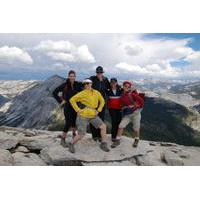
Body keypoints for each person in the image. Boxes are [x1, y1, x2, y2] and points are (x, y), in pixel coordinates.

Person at [69, 78, 110, 153]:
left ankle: (103, 143)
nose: (87, 85)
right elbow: (72, 100)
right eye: (85, 84)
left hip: (93, 114)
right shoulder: (82, 93)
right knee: (82, 134)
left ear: (91, 84)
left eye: (88, 83)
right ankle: (71, 143)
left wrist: (99, 110)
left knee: (103, 127)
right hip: (83, 115)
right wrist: (77, 110)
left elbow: (102, 101)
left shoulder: (96, 92)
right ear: (84, 85)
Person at [53, 70, 82, 147]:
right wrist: (61, 101)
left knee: (74, 121)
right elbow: (54, 92)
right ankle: (63, 138)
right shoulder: (65, 85)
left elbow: (83, 91)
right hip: (67, 107)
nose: (72, 77)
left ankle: (73, 134)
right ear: (68, 76)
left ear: (75, 77)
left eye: (73, 76)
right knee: (68, 123)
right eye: (70, 76)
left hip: (75, 107)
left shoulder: (78, 84)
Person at [111, 81, 144, 148]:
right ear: (123, 86)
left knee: (136, 128)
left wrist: (135, 106)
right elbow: (122, 104)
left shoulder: (132, 94)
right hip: (128, 115)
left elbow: (142, 101)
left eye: (128, 87)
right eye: (125, 86)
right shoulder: (122, 95)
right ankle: (117, 140)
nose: (127, 87)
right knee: (121, 126)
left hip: (136, 114)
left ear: (130, 88)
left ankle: (136, 139)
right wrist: (123, 107)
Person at [89, 66, 110, 141]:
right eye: (98, 72)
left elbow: (109, 87)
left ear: (102, 73)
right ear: (96, 73)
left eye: (100, 72)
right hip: (93, 102)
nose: (99, 74)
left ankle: (100, 135)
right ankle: (94, 136)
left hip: (102, 102)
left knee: (101, 118)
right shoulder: (92, 78)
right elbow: (87, 82)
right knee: (93, 118)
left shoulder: (105, 79)